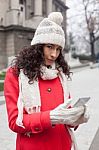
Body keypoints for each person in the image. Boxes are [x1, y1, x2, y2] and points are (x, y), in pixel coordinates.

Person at [4, 12, 89, 150]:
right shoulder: (16, 74)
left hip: (63, 144)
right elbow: (15, 122)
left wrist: (76, 117)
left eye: (58, 49)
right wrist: (49, 117)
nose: (54, 54)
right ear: (38, 46)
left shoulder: (60, 74)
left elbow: (65, 115)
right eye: (49, 46)